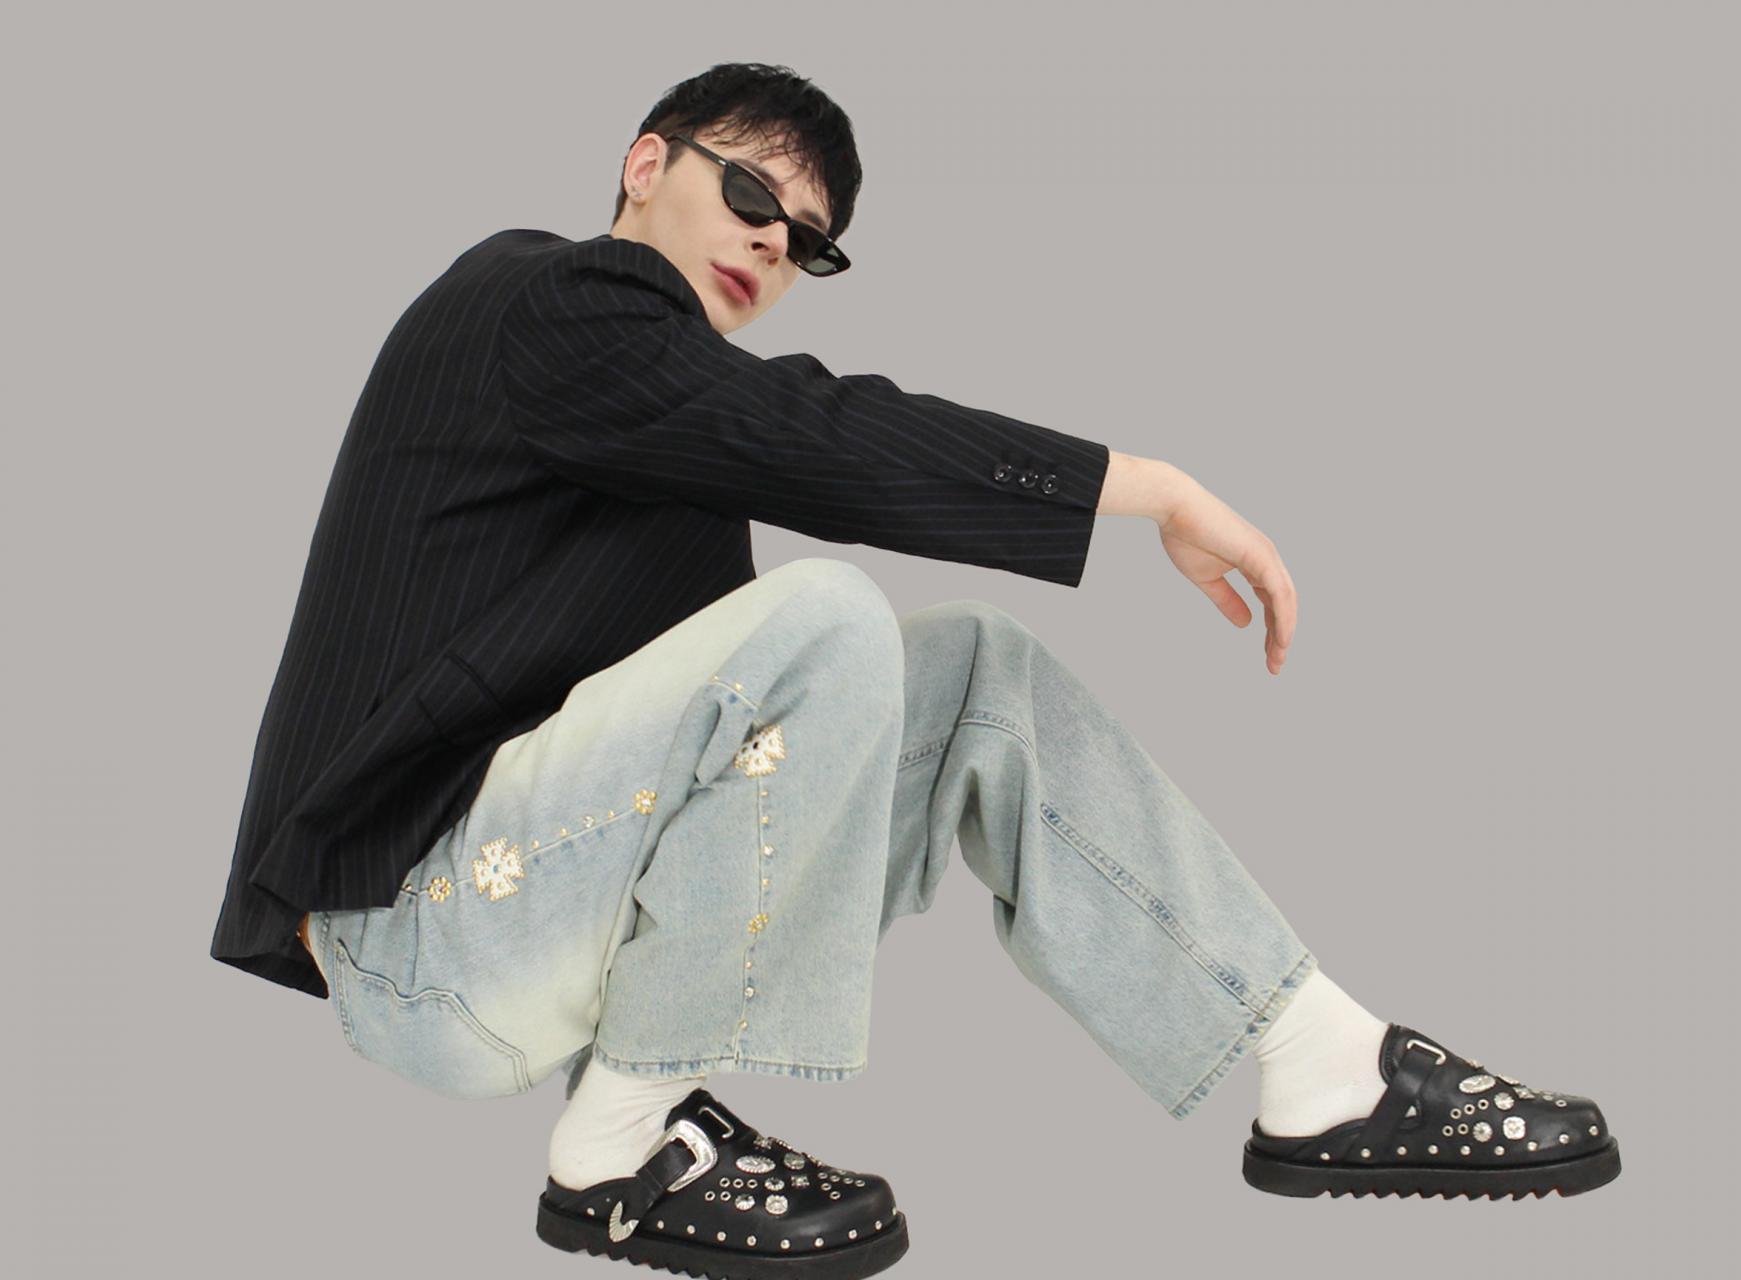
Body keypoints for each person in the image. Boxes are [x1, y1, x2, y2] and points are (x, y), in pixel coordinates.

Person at [211, 62, 1619, 1280]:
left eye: (807, 244)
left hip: (534, 915)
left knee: (973, 677)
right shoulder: (549, 296)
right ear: (644, 166)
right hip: (424, 933)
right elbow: (818, 429)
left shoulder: (656, 424)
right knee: (828, 619)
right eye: (749, 195)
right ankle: (624, 1145)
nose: (771, 246)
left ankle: (1321, 1065)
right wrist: (1147, 488)